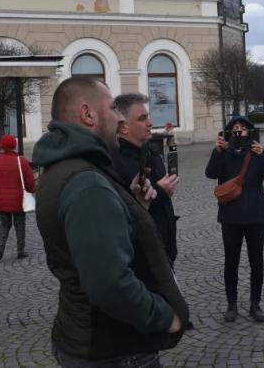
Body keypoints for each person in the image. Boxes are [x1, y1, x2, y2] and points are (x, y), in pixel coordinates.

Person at [32, 77, 188, 368]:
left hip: (91, 340)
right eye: (113, 108)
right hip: (113, 349)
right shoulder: (86, 182)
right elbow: (109, 283)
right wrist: (164, 316)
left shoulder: (70, 167)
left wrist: (135, 209)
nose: (119, 118)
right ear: (88, 114)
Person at [205, 116, 264, 323]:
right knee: (231, 262)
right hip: (231, 216)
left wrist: (262, 155)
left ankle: (255, 304)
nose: (239, 132)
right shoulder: (224, 153)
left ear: (250, 132)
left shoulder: (256, 152)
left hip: (255, 215)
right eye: (235, 128)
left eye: (243, 129)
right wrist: (217, 152)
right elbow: (210, 173)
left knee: (257, 262)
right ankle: (232, 305)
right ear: (228, 133)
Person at [112, 94, 180, 265]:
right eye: (142, 119)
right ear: (123, 128)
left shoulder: (150, 152)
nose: (150, 123)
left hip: (164, 251)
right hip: (141, 259)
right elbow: (126, 211)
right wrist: (161, 192)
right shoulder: (116, 163)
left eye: (148, 116)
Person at [0, 134, 35, 260]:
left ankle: (0, 248)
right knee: (20, 224)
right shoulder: (22, 161)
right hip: (18, 200)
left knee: (4, 224)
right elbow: (30, 182)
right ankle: (20, 251)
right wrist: (30, 191)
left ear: (1, 146)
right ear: (14, 145)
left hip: (1, 200)